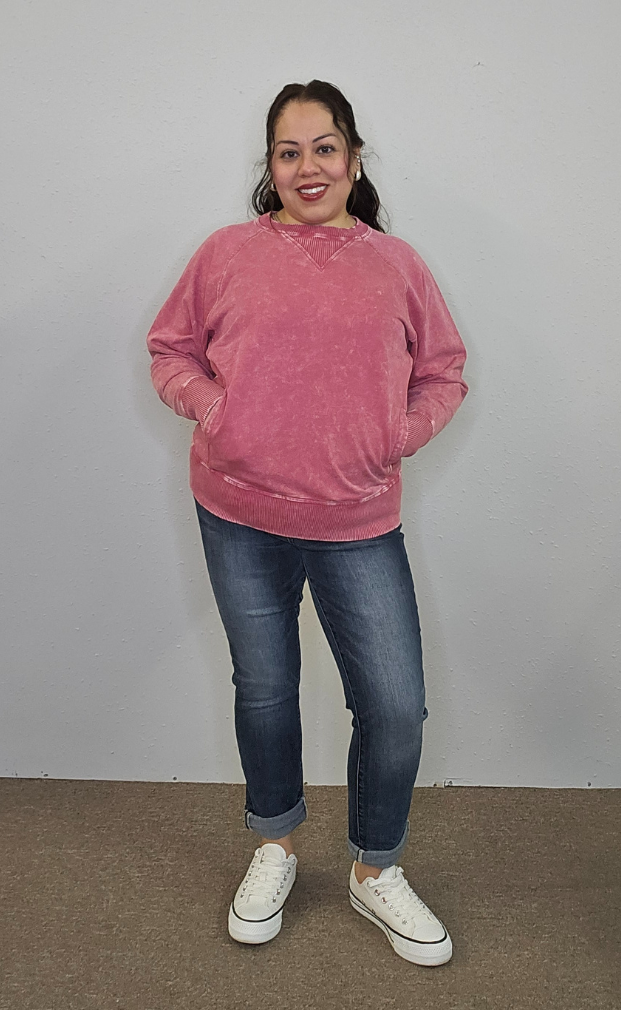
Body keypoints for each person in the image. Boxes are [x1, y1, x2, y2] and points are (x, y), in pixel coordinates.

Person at [146, 80, 468, 967]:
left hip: (357, 517)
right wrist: (217, 412)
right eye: (288, 152)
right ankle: (276, 842)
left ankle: (375, 871)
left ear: (354, 159)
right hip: (239, 514)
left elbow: (444, 371)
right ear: (271, 168)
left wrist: (398, 432)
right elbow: (170, 349)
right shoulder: (225, 253)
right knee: (266, 688)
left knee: (396, 705)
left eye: (324, 147)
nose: (307, 167)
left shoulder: (396, 265)